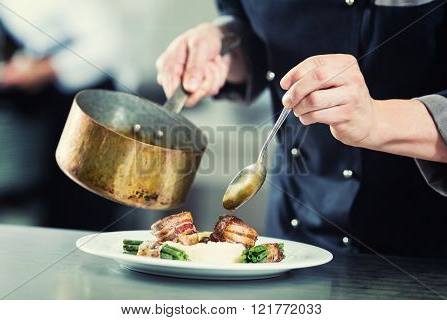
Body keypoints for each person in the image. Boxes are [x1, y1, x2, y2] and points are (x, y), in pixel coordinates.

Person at [156, 0, 447, 257]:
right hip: (292, 242)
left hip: (421, 249)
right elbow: (257, 27)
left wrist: (379, 120)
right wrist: (227, 42)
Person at [0, 0, 124, 229]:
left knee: (86, 205)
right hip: (52, 108)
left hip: (92, 106)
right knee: (57, 201)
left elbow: (108, 46)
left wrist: (42, 70)